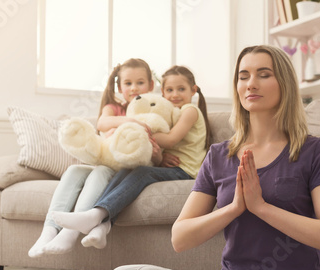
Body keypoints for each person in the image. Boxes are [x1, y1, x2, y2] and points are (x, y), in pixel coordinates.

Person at [105, 45, 320, 270]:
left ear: (284, 83)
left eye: (263, 74)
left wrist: (261, 207)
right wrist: (234, 209)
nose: (251, 84)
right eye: (243, 76)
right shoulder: (219, 155)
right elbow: (180, 238)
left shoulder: (314, 151)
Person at [50, 65, 212, 250]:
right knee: (129, 171)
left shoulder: (190, 110)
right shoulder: (170, 112)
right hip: (170, 167)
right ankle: (102, 224)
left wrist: (138, 132)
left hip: (186, 170)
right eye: (169, 90)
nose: (175, 94)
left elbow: (171, 139)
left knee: (142, 173)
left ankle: (96, 214)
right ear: (162, 92)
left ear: (193, 90)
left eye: (181, 89)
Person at [28, 58, 157, 257]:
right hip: (106, 161)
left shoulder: (153, 111)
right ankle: (49, 230)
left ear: (151, 85)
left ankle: (71, 233)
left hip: (124, 171)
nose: (134, 88)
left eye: (140, 83)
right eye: (128, 83)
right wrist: (130, 121)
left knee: (100, 172)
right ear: (120, 87)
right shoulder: (114, 108)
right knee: (73, 170)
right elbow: (102, 123)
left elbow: (155, 150)